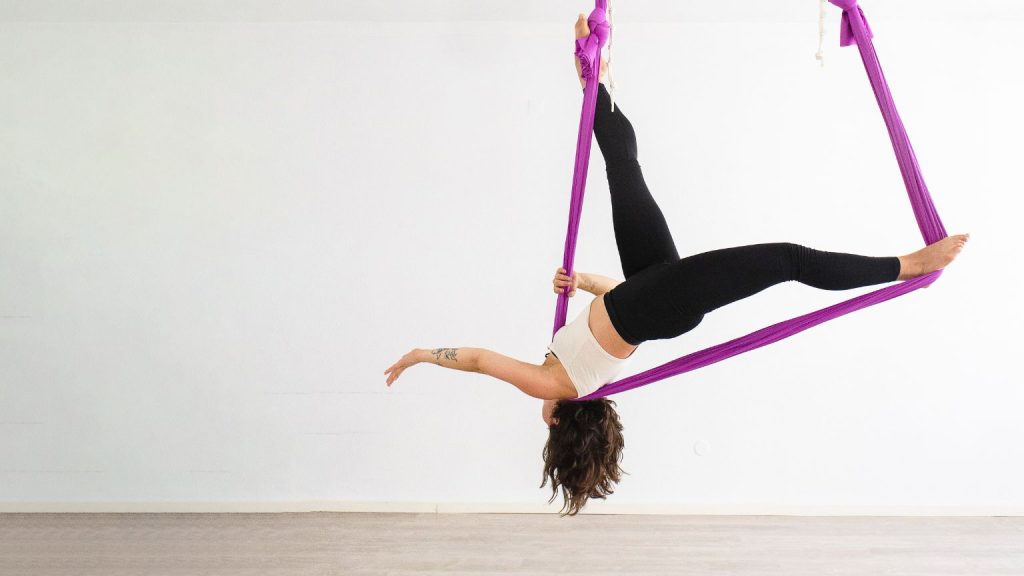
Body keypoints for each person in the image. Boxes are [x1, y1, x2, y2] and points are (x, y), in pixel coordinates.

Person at [384, 13, 969, 516]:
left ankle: (596, 81)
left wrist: (585, 281)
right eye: (546, 421)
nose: (539, 410)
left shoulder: (572, 366)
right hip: (660, 299)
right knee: (787, 260)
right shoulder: (559, 383)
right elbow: (484, 360)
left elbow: (615, 313)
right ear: (561, 420)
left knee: (623, 169)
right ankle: (908, 265)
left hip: (649, 291)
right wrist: (419, 356)